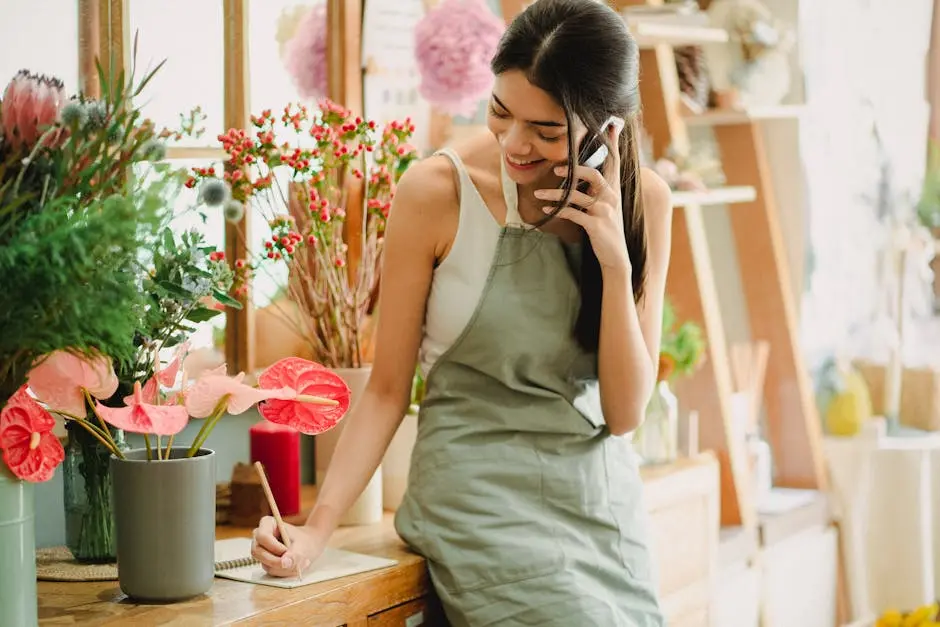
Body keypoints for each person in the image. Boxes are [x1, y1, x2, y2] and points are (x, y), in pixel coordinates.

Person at [251, 0, 673, 624]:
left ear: (605, 131)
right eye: (501, 111)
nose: (515, 143)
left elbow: (624, 412)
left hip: (599, 512)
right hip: (476, 502)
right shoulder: (435, 193)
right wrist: (317, 530)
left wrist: (615, 263)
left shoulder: (646, 203)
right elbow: (387, 390)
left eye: (548, 131)